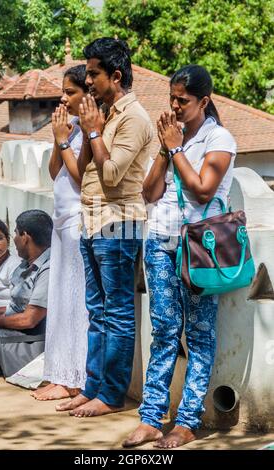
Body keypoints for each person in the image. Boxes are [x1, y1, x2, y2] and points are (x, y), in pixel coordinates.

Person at [123, 64, 237, 448]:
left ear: (203, 101)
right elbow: (150, 193)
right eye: (171, 98)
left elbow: (203, 190)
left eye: (183, 101)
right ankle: (151, 418)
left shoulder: (219, 138)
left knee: (200, 335)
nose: (174, 106)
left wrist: (176, 148)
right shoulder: (172, 138)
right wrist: (163, 148)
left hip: (201, 246)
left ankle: (187, 420)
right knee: (164, 332)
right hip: (160, 241)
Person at [56, 37, 153, 417]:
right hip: (92, 219)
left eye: (94, 74)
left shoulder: (134, 117)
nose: (89, 80)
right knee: (96, 310)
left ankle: (112, 395)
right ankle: (93, 385)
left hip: (121, 223)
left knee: (117, 313)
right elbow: (82, 178)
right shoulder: (103, 114)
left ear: (115, 76)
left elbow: (112, 177)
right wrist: (68, 138)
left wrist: (93, 131)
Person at [31, 65, 89, 401]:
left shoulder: (92, 130)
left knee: (78, 303)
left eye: (70, 92)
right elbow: (56, 172)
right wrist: (58, 139)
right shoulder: (73, 128)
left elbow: (80, 177)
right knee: (62, 300)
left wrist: (65, 139)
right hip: (62, 220)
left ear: (87, 94)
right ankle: (60, 372)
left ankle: (76, 377)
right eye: (63, 93)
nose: (64, 98)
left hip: (81, 221)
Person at [0, 210, 52, 377]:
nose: (14, 239)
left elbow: (29, 319)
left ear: (25, 237)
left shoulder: (48, 269)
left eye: (15, 233)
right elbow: (13, 308)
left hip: (15, 344)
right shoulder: (24, 267)